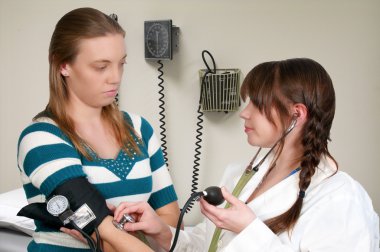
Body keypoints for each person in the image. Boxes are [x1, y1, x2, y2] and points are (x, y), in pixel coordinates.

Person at [113, 58, 379, 251]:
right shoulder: (240, 175)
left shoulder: (340, 197)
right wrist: (162, 233)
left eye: (257, 104)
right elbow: (211, 246)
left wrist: (250, 230)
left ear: (296, 115)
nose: (244, 112)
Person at [16, 7, 180, 252]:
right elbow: (102, 229)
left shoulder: (139, 129)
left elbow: (170, 218)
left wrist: (116, 233)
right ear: (63, 66)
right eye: (101, 67)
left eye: (121, 64)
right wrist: (110, 235)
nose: (115, 77)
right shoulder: (41, 139)